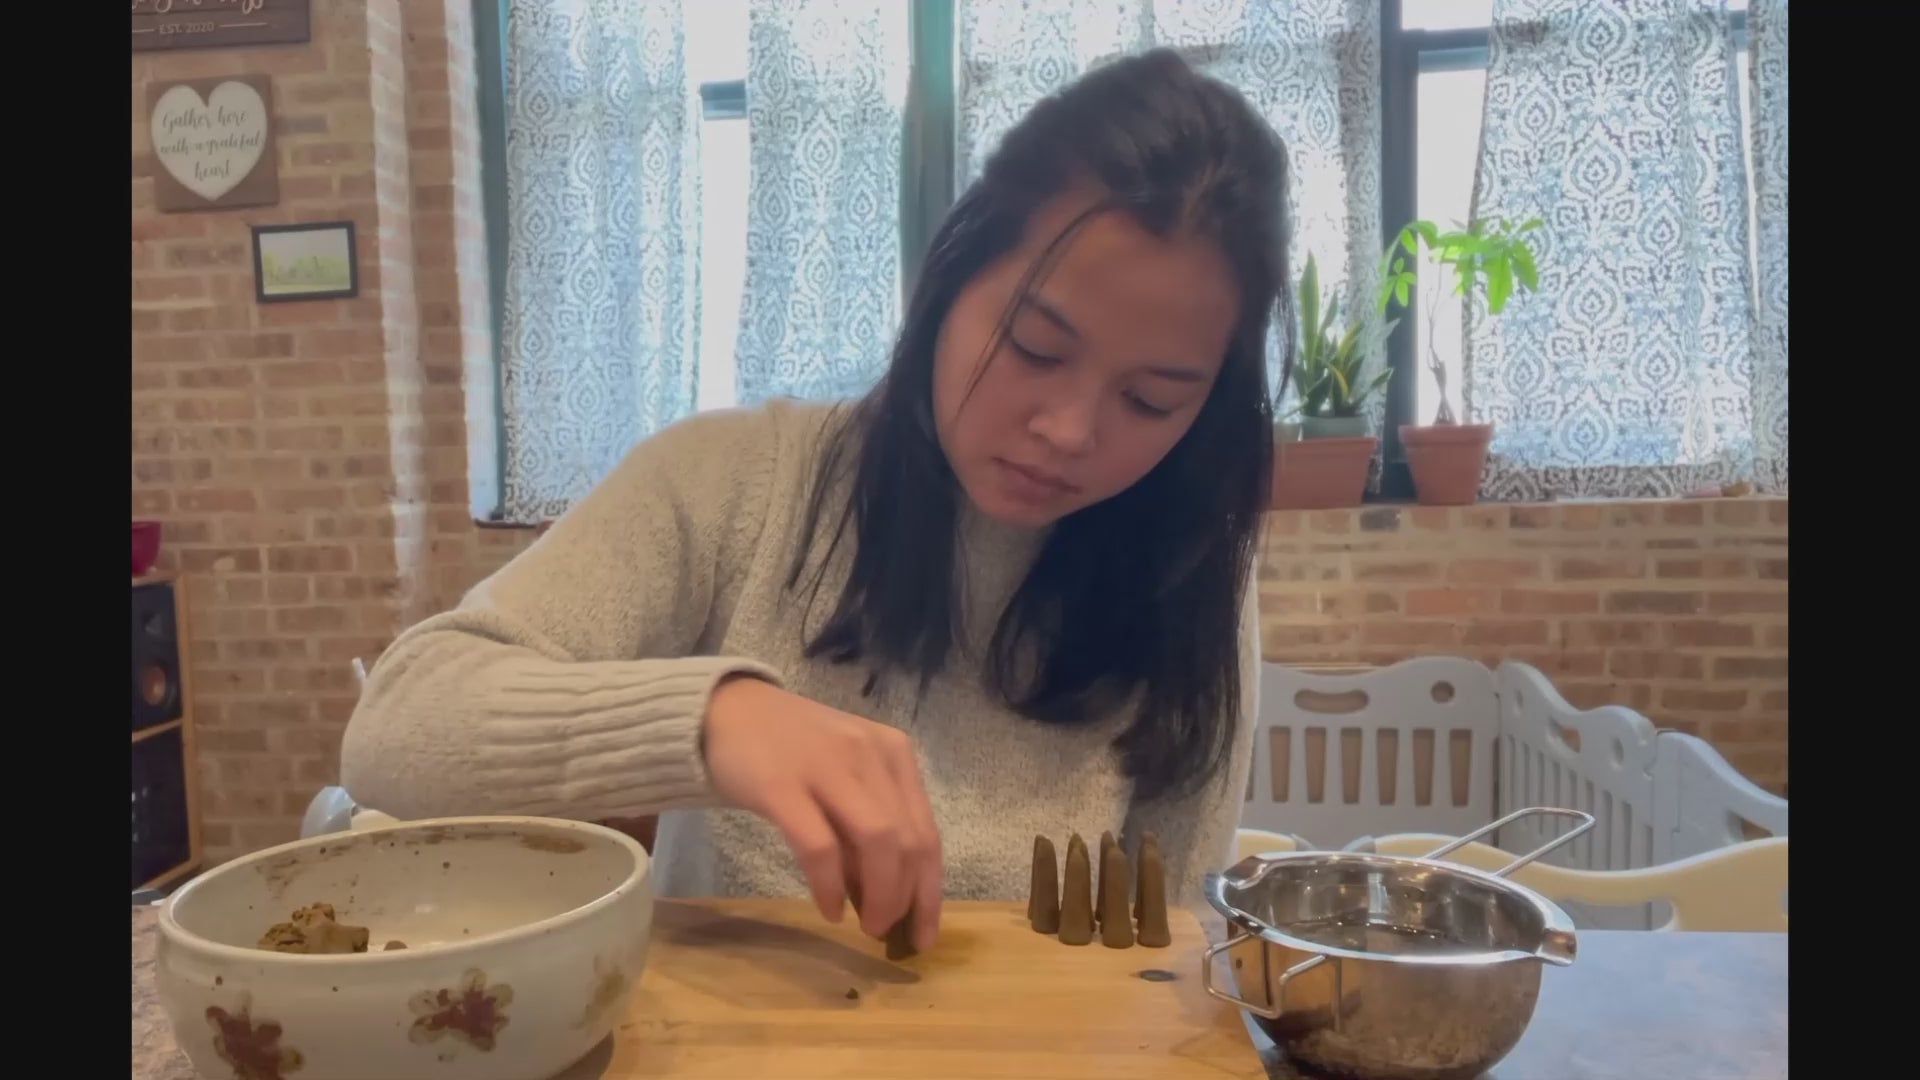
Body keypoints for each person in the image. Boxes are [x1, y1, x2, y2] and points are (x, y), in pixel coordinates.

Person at [342, 47, 1292, 954]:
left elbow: (1165, 953)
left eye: (1150, 400)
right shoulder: (734, 480)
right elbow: (398, 726)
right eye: (1036, 348)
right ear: (946, 281)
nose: (1070, 430)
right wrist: (718, 721)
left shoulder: (1192, 561)